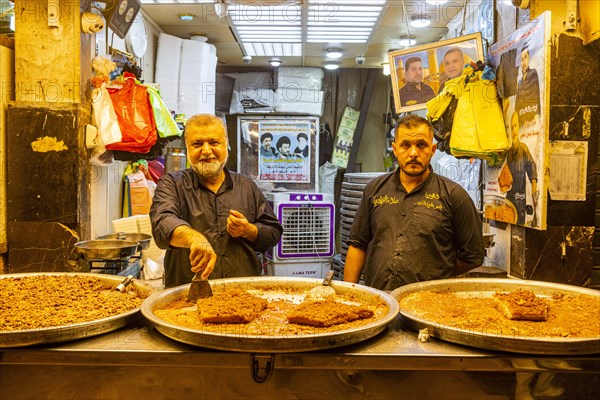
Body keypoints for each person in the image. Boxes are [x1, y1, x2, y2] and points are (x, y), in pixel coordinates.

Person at [344, 115, 484, 291]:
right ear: (395, 149)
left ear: (432, 149)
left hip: (429, 304)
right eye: (405, 145)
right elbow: (358, 245)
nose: (413, 153)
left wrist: (437, 272)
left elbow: (473, 257)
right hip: (380, 301)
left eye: (421, 145)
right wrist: (348, 293)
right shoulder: (374, 190)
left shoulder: (454, 196)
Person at [150, 114, 283, 288]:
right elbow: (162, 222)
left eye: (214, 142)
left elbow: (273, 232)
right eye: (197, 144)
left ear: (226, 145)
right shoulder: (172, 184)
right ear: (188, 148)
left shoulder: (246, 186)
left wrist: (248, 230)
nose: (206, 151)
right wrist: (193, 238)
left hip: (244, 294)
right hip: (187, 298)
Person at [505, 111, 538, 226]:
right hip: (507, 198)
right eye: (511, 127)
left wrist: (534, 184)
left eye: (515, 126)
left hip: (520, 198)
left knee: (520, 224)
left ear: (518, 128)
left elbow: (531, 165)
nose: (514, 131)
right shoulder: (506, 150)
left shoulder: (523, 148)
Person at [515, 42, 541, 131]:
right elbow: (517, 106)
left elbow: (537, 97)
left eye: (525, 57)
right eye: (522, 59)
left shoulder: (533, 73)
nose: (523, 62)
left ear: (529, 58)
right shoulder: (519, 82)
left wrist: (537, 117)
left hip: (532, 120)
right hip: (522, 122)